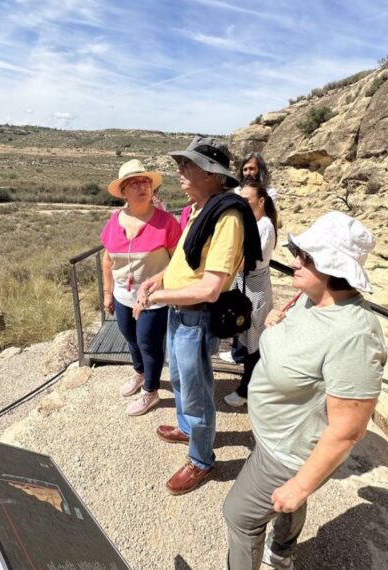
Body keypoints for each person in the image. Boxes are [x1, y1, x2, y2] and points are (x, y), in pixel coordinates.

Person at [223, 211, 387, 569]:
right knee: (279, 507)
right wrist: (274, 326)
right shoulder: (310, 299)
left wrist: (301, 484)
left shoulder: (354, 336)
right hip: (278, 435)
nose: (294, 260)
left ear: (332, 267)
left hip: (289, 452)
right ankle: (282, 552)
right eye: (299, 251)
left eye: (307, 257)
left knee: (239, 516)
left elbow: (348, 430)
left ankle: (276, 552)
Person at [133, 136, 262, 495]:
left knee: (196, 389)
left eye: (187, 165)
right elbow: (184, 261)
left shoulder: (227, 218)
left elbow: (210, 288)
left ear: (210, 173)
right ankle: (189, 429)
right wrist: (161, 277)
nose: (180, 171)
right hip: (181, 312)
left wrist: (157, 294)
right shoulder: (200, 208)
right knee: (181, 379)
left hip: (197, 315)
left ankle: (202, 459)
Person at [100, 159, 181, 416]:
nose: (141, 187)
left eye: (145, 182)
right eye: (134, 183)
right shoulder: (114, 221)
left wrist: (157, 284)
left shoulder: (166, 222)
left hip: (154, 297)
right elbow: (107, 259)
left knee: (149, 343)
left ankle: (151, 391)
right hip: (123, 295)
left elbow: (179, 262)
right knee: (131, 339)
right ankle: (139, 373)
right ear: (123, 191)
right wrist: (107, 294)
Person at [223, 181, 279, 408]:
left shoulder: (264, 226)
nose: (242, 204)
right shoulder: (253, 223)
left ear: (261, 201)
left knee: (254, 337)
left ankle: (247, 389)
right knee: (247, 334)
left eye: (247, 200)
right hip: (245, 283)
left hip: (254, 287)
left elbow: (247, 260)